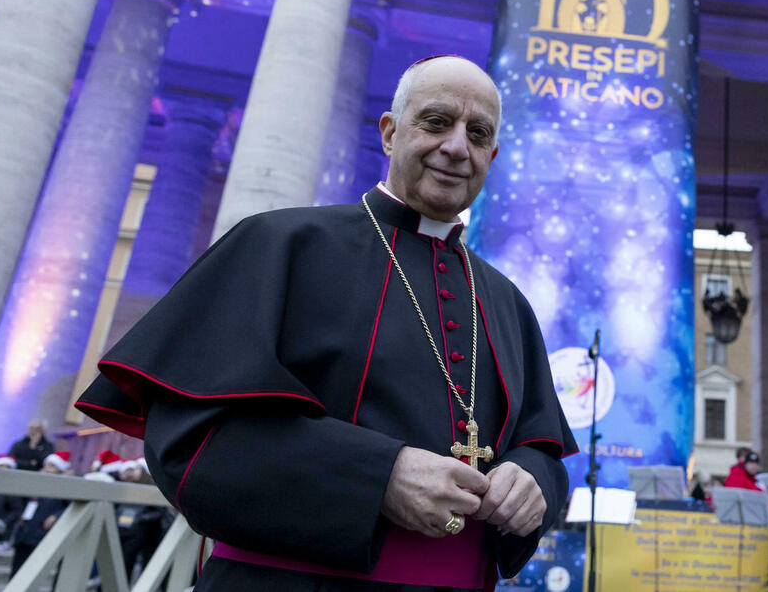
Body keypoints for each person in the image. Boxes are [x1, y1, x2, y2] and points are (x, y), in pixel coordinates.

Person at [75, 55, 578, 591]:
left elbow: (540, 447)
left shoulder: (506, 300)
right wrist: (378, 476)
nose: (457, 147)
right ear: (389, 134)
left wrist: (533, 482)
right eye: (435, 122)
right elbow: (191, 441)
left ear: (491, 155)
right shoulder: (278, 245)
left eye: (478, 134)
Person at [12, 451, 71, 575]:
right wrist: (20, 515)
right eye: (47, 465)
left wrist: (56, 516)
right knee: (16, 569)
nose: (47, 469)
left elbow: (70, 508)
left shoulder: (64, 487)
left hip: (41, 535)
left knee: (31, 573)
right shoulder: (36, 483)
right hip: (24, 532)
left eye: (52, 466)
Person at [0, 455, 22, 552]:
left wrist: (4, 521)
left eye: (7, 467)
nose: (3, 470)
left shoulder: (11, 490)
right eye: (1, 466)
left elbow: (17, 509)